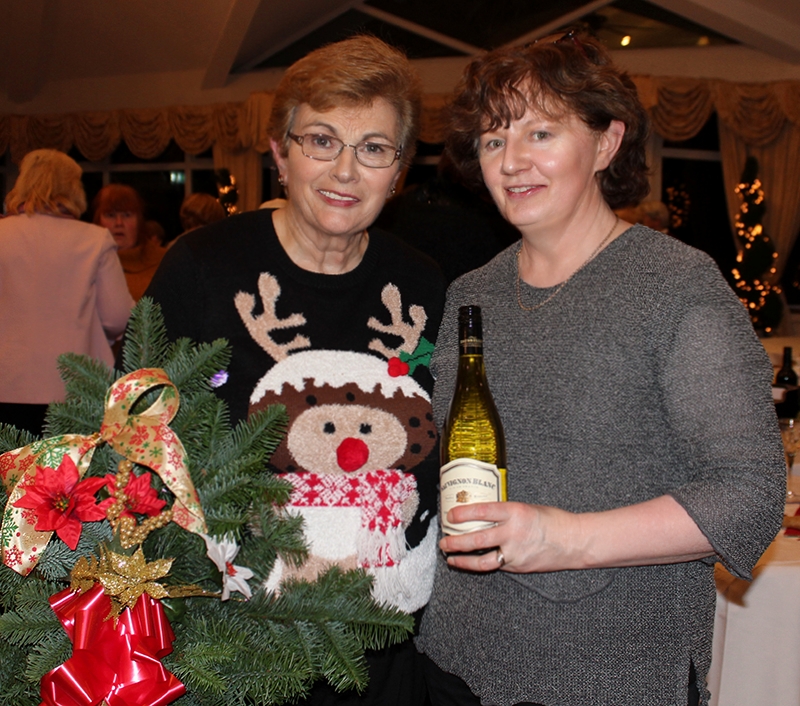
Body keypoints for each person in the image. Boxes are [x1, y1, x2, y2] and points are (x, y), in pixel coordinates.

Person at [415, 30, 785, 706]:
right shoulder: (471, 295)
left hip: (610, 670)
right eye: (494, 141)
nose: (512, 161)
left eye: (540, 134)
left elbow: (750, 494)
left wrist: (565, 537)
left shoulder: (674, 285)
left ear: (607, 142)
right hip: (457, 660)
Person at [144, 35, 446, 706]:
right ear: (280, 153)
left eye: (373, 149)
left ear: (398, 173)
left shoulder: (425, 286)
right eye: (321, 141)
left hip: (375, 638)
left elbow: (433, 439)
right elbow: (134, 431)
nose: (345, 171)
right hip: (227, 638)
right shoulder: (202, 269)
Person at [0, 149, 134, 435]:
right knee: (69, 477)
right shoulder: (94, 239)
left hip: (5, 384)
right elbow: (118, 317)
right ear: (73, 188)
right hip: (74, 388)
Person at [92, 184, 166, 300]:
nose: (119, 223)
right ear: (98, 220)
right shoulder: (86, 262)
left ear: (139, 221)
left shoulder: (164, 262)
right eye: (110, 215)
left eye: (127, 215)